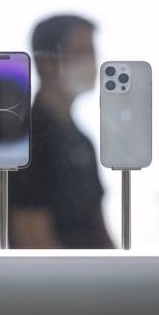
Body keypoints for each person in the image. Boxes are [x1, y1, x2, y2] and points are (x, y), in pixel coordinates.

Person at [9, 14, 114, 249]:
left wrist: (121, 268)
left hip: (94, 271)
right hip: (58, 273)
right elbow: (31, 237)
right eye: (81, 52)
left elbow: (99, 227)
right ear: (46, 62)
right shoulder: (26, 138)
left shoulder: (80, 139)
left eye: (93, 53)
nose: (91, 62)